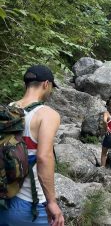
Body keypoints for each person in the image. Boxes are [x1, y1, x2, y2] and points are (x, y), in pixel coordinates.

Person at [0, 65, 64, 226]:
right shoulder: (47, 115)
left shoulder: (7, 111)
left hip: (4, 197)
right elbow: (43, 157)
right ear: (46, 84)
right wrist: (52, 202)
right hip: (30, 204)